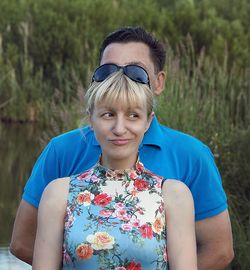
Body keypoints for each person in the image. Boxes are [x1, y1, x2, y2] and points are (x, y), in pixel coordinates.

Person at [10, 26, 234, 269]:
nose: (121, 80)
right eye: (108, 72)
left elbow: (219, 250)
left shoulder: (191, 158)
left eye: (136, 72)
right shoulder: (61, 152)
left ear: (158, 83)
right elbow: (23, 242)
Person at [32, 70, 197, 269]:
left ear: (148, 121)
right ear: (91, 119)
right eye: (108, 114)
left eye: (133, 115)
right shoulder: (59, 194)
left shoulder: (174, 196)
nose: (119, 128)